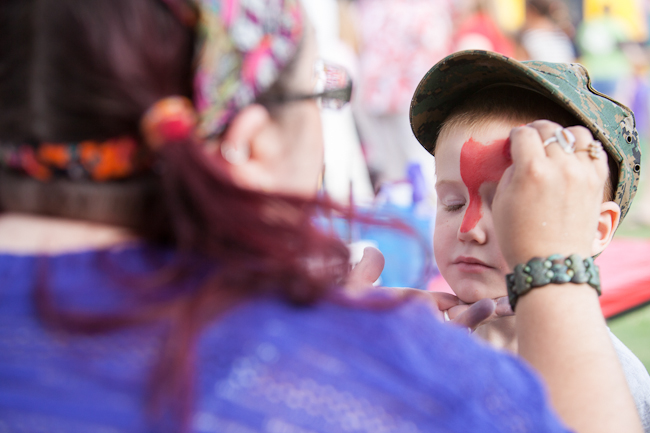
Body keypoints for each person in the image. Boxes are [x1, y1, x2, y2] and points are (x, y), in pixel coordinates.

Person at [0, 2, 642, 433]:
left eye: (517, 200)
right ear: (252, 145)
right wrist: (337, 349)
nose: (472, 225)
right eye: (324, 91)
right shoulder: (398, 372)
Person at [410, 49, 650, 431]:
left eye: (506, 205)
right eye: (452, 203)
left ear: (597, 230)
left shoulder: (612, 386)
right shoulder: (421, 348)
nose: (468, 227)